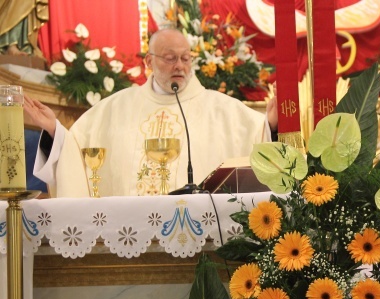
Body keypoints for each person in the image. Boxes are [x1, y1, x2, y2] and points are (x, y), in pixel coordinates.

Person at [23, 27, 278, 197]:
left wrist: (271, 127)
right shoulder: (113, 109)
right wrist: (54, 131)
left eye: (185, 58)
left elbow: (257, 138)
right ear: (148, 62)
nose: (179, 65)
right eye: (169, 58)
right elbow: (76, 150)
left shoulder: (223, 110)